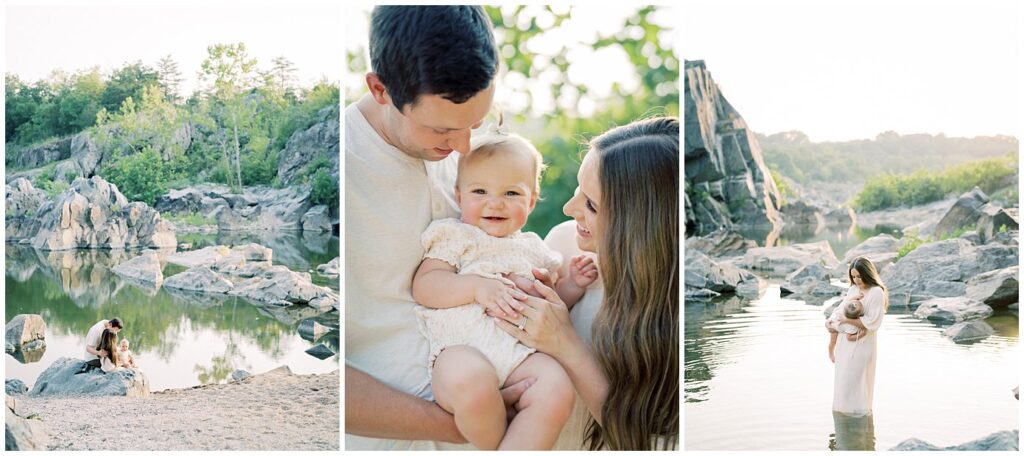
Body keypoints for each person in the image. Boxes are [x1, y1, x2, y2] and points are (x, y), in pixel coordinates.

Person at [345, 6, 533, 450]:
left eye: (476, 122)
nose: (464, 147)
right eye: (444, 130)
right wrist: (472, 425)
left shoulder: (481, 155)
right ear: (381, 89)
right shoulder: (346, 166)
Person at [491, 117, 680, 450]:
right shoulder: (564, 244)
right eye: (579, 191)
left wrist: (565, 343)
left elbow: (650, 444)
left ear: (638, 226)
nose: (568, 208)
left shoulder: (674, 310)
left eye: (590, 205)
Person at [411, 131, 596, 449]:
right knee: (475, 387)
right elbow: (425, 286)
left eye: (511, 193)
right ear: (459, 196)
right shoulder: (457, 237)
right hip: (460, 348)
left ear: (531, 201)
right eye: (480, 191)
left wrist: (571, 286)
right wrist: (476, 287)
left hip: (519, 355)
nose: (495, 203)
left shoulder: (534, 251)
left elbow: (548, 308)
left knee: (556, 388)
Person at [824, 256, 888, 416]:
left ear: (868, 274)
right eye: (853, 276)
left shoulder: (876, 292)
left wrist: (847, 320)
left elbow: (873, 322)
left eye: (859, 276)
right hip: (844, 342)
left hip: (862, 343)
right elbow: (842, 307)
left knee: (855, 381)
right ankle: (843, 420)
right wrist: (831, 321)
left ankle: (858, 420)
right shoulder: (854, 289)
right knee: (843, 380)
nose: (857, 280)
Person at [827, 297, 865, 363]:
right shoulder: (850, 326)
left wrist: (856, 296)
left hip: (833, 320)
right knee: (833, 341)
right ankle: (831, 354)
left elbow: (848, 300)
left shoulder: (843, 308)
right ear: (858, 317)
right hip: (834, 327)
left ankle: (831, 353)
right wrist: (861, 334)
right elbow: (849, 338)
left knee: (832, 342)